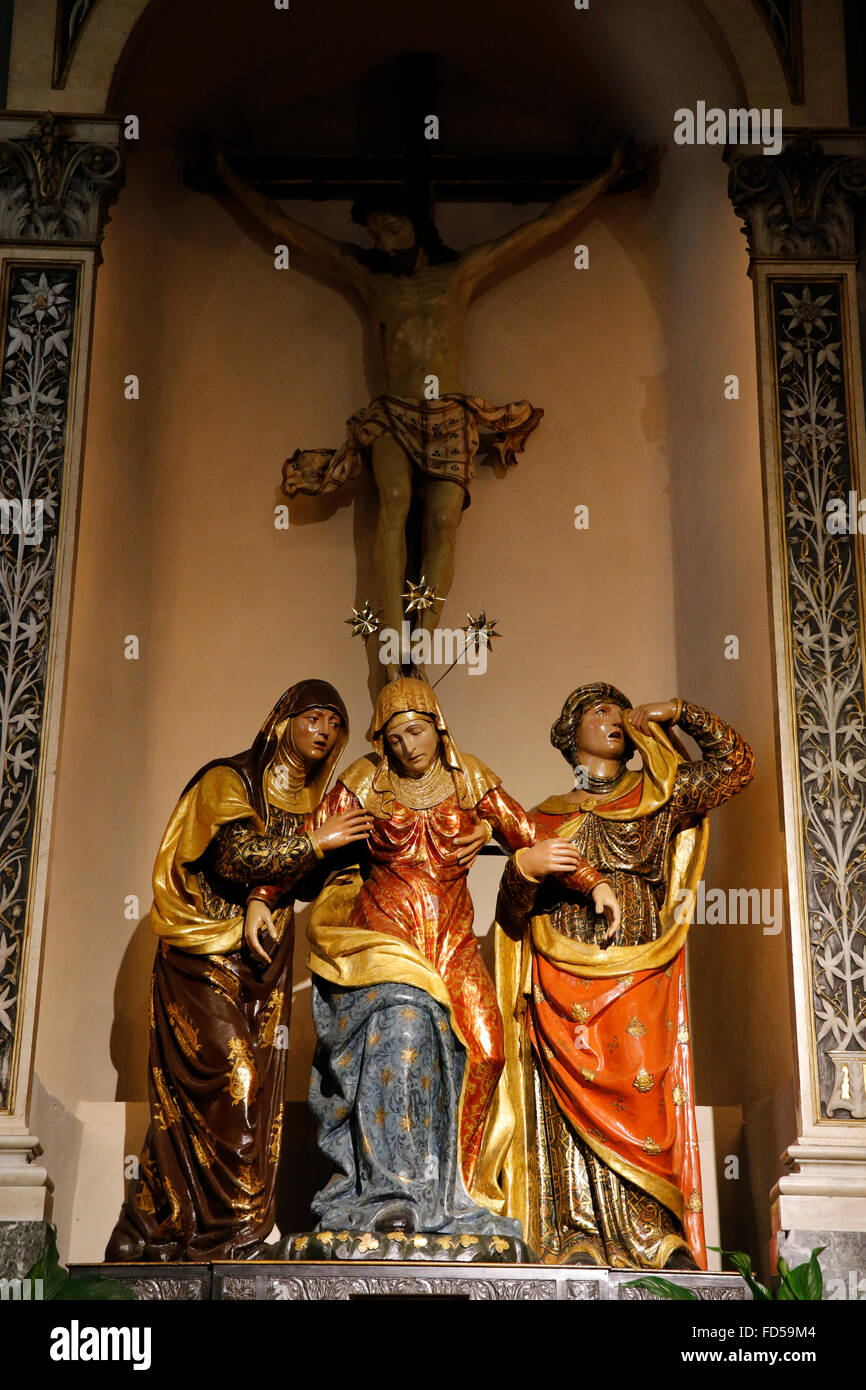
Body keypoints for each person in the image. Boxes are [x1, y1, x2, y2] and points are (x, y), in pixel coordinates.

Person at [211, 145, 645, 675]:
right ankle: (392, 646)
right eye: (375, 232)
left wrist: (605, 175)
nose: (384, 239)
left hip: (448, 415)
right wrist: (227, 173)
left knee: (442, 518)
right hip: (393, 411)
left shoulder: (459, 272)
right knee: (393, 496)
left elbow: (539, 226)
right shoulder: (370, 277)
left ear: (415, 222)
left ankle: (422, 644)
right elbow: (288, 227)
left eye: (391, 226)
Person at [249, 677, 619, 1240]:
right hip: (386, 945)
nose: (407, 747)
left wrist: (591, 881)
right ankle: (392, 1196)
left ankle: (458, 1193)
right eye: (394, 739)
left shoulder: (468, 776)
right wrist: (262, 897)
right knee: (404, 1034)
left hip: (450, 942)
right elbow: (310, 842)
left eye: (416, 732)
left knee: (489, 1052)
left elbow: (526, 835)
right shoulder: (364, 781)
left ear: (438, 726)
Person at [105, 680, 372, 1262]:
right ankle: (239, 1231)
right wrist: (317, 840)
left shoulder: (313, 804)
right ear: (282, 720)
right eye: (314, 717)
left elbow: (296, 878)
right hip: (203, 953)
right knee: (235, 1082)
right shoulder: (228, 779)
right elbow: (237, 856)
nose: (325, 731)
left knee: (216, 1101)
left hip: (261, 962)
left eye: (335, 723)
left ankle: (154, 1225)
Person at [495, 684, 755, 1269]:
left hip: (637, 965)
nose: (614, 718)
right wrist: (523, 869)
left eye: (620, 708)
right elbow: (511, 917)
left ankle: (654, 1238)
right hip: (560, 972)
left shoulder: (659, 795)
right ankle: (575, 1235)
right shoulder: (542, 818)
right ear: (570, 733)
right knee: (564, 1104)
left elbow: (736, 767)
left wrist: (679, 712)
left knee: (642, 1088)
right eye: (598, 709)